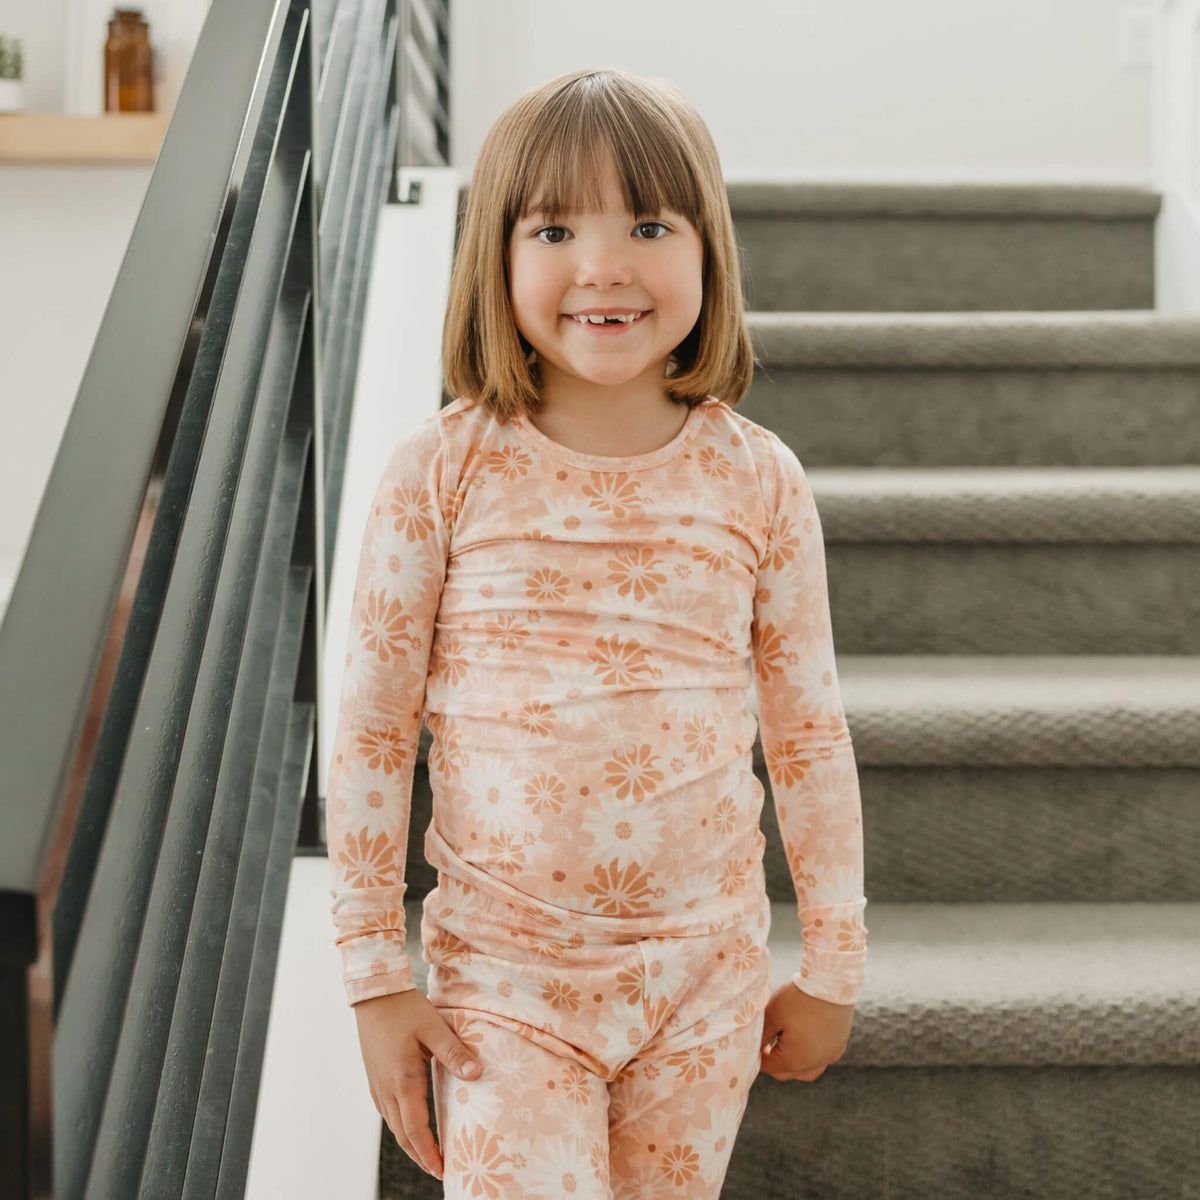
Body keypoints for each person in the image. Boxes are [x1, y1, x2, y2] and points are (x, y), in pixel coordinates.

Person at [325, 64, 868, 1199]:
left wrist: (834, 964)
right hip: (505, 981)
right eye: (555, 228)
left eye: (650, 226)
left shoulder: (759, 480)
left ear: (709, 250)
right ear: (498, 256)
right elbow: (373, 729)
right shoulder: (441, 469)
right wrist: (375, 974)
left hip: (705, 979)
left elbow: (807, 733)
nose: (604, 265)